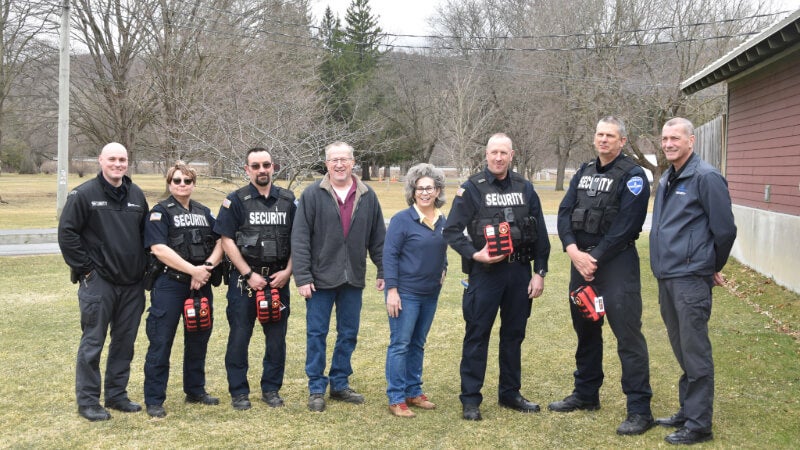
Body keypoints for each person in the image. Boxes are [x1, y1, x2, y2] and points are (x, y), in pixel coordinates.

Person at [550, 116, 655, 435]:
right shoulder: (582, 172)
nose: (604, 139)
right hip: (581, 265)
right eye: (600, 134)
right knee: (586, 329)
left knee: (628, 336)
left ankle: (639, 409)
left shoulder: (634, 176)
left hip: (616, 265)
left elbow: (627, 225)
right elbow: (565, 212)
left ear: (623, 141)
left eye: (611, 135)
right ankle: (585, 394)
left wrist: (593, 257)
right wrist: (572, 250)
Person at [443, 133, 550, 421]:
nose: (498, 157)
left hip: (518, 273)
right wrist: (475, 254)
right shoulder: (472, 189)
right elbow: (452, 231)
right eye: (494, 153)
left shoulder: (525, 188)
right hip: (486, 273)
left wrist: (539, 273)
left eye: (503, 152)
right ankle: (470, 399)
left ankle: (510, 393)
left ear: (512, 155)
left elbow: (540, 235)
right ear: (486, 155)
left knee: (513, 335)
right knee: (477, 334)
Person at [650, 118, 737, 445]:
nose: (669, 143)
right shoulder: (670, 177)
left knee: (695, 351)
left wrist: (709, 265)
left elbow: (725, 230)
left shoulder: (706, 177)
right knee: (682, 348)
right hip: (667, 277)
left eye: (675, 138)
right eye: (665, 138)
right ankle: (688, 410)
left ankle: (699, 424)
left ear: (691, 141)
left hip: (690, 279)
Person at [292, 141, 386, 413]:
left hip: (353, 279)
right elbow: (299, 239)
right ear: (327, 164)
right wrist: (303, 277)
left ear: (353, 162)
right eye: (334, 160)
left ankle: (340, 382)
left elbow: (378, 238)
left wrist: (382, 269)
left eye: (344, 159)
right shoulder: (312, 194)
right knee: (316, 334)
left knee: (348, 333)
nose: (340, 164)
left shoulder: (367, 195)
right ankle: (316, 388)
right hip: (319, 279)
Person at [58, 142, 149, 421]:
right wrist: (87, 270)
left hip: (132, 283)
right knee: (93, 343)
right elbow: (67, 233)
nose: (118, 164)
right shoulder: (84, 195)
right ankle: (87, 401)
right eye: (112, 159)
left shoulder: (136, 194)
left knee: (124, 342)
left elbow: (146, 234)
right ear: (101, 160)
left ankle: (116, 395)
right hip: (99, 282)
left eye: (122, 159)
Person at [213, 148, 296, 410]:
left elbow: (299, 240)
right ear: (247, 169)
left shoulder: (288, 200)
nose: (262, 169)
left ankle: (271, 389)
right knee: (239, 336)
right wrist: (248, 274)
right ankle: (239, 392)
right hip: (244, 282)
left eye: (266, 165)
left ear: (274, 167)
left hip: (278, 280)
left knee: (276, 339)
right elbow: (226, 240)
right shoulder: (235, 200)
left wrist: (288, 272)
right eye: (256, 165)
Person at [142, 162, 224, 418]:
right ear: (169, 183)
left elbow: (222, 240)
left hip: (200, 285)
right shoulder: (160, 212)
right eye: (177, 180)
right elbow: (159, 249)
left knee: (199, 339)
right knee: (161, 341)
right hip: (170, 285)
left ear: (194, 184)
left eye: (187, 181)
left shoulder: (204, 211)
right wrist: (193, 271)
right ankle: (155, 399)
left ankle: (195, 390)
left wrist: (207, 268)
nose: (182, 185)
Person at [383, 163, 448, 418]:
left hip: (430, 293)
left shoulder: (443, 220)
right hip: (405, 293)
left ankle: (413, 391)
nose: (424, 193)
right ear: (412, 191)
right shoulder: (401, 220)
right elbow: (389, 256)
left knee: (418, 344)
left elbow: (443, 249)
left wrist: (443, 268)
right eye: (419, 188)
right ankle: (396, 397)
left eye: (429, 188)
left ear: (437, 190)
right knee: (400, 344)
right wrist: (392, 290)